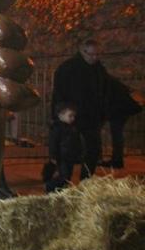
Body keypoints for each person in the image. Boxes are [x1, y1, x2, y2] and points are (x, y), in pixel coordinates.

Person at [51, 39, 109, 179]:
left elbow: (104, 91)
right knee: (68, 151)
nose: (94, 57)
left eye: (97, 54)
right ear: (82, 52)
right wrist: (61, 113)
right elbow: (59, 92)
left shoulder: (99, 70)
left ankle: (86, 180)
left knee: (92, 151)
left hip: (91, 116)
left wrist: (102, 113)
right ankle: (64, 181)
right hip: (71, 115)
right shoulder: (68, 68)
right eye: (91, 54)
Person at [102, 74, 142, 169]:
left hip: (119, 109)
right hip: (122, 108)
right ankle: (117, 160)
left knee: (117, 134)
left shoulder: (103, 81)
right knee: (117, 134)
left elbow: (107, 99)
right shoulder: (109, 80)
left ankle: (117, 161)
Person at [47, 103, 84, 192]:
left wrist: (79, 153)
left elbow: (76, 142)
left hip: (69, 156)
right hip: (62, 157)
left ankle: (62, 189)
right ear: (61, 115)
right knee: (63, 175)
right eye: (70, 116)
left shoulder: (72, 128)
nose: (73, 118)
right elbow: (53, 143)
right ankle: (51, 186)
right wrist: (53, 156)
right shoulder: (57, 128)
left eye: (73, 116)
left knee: (68, 175)